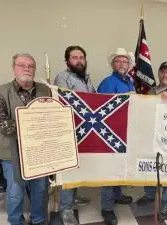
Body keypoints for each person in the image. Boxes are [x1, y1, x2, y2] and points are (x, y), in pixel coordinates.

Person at [0, 53, 49, 225]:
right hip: (12, 152)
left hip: (39, 151)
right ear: (14, 68)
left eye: (31, 66)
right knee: (15, 191)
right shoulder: (0, 91)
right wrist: (31, 129)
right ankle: (16, 221)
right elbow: (0, 121)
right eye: (22, 65)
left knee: (40, 189)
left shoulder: (45, 90)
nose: (27, 68)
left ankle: (38, 219)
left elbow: (51, 117)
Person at [54, 45, 95, 225]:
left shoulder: (87, 78)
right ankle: (66, 209)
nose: (79, 61)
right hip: (69, 129)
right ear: (67, 61)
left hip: (84, 129)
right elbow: (66, 101)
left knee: (78, 167)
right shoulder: (62, 77)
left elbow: (94, 99)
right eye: (74, 57)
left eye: (81, 57)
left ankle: (74, 199)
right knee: (68, 169)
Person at [97, 48, 134, 225]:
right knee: (108, 170)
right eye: (118, 61)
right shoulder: (107, 83)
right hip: (110, 133)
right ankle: (107, 208)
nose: (121, 64)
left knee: (119, 167)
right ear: (113, 64)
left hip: (125, 132)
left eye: (124, 61)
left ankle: (117, 195)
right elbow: (100, 108)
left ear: (128, 65)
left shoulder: (130, 81)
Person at [136, 61, 167, 220]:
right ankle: (150, 194)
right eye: (163, 71)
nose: (165, 75)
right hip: (152, 137)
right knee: (150, 167)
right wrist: (157, 98)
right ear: (159, 73)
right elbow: (144, 112)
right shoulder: (151, 91)